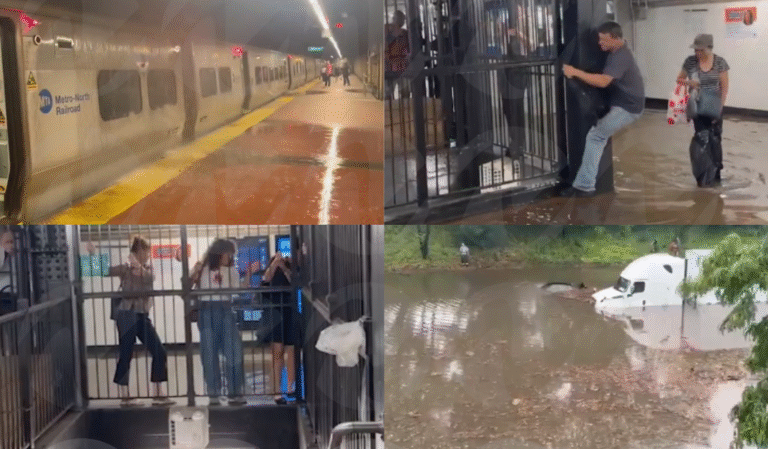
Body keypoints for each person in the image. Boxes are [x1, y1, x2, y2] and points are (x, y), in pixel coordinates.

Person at [560, 22, 645, 197]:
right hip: (622, 103)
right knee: (598, 134)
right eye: (599, 40)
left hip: (629, 108)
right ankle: (585, 183)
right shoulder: (618, 50)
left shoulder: (621, 56)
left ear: (615, 38)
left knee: (596, 136)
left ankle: (585, 186)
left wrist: (575, 72)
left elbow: (603, 81)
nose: (600, 43)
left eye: (603, 40)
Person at [108, 235, 173, 407]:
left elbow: (149, 279)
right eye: (146, 251)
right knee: (126, 353)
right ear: (138, 252)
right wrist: (93, 255)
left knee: (159, 351)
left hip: (142, 315)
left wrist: (139, 268)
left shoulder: (147, 269)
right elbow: (98, 271)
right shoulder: (125, 269)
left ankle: (158, 393)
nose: (148, 255)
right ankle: (125, 396)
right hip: (126, 314)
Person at [191, 239, 257, 406]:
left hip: (224, 310)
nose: (231, 257)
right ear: (221, 253)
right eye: (229, 253)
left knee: (233, 351)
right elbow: (186, 285)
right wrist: (194, 273)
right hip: (208, 310)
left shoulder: (231, 270)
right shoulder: (202, 268)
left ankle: (234, 392)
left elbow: (239, 290)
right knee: (210, 353)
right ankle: (215, 393)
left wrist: (249, 274)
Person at [676, 34, 729, 186]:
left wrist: (719, 109)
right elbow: (679, 79)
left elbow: (724, 88)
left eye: (700, 50)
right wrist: (690, 83)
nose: (697, 53)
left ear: (709, 48)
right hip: (697, 105)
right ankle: (703, 175)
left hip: (714, 105)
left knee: (715, 139)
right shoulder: (690, 61)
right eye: (696, 50)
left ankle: (716, 173)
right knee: (701, 138)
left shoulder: (720, 62)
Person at [260, 252, 296, 404]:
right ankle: (277, 391)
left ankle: (291, 387)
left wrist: (285, 267)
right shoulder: (270, 271)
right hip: (274, 314)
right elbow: (265, 281)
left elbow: (295, 282)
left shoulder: (289, 269)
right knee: (277, 352)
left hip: (289, 312)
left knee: (292, 350)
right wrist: (274, 265)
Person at [498, 21, 532, 160]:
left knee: (516, 112)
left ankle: (519, 146)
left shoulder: (521, 38)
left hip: (516, 81)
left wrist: (518, 34)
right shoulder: (503, 39)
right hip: (505, 81)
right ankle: (514, 144)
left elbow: (531, 45)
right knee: (508, 111)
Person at [385, 10, 409, 99]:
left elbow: (408, 50)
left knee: (403, 94)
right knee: (391, 95)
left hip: (397, 67)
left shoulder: (405, 33)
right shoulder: (387, 30)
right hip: (394, 67)